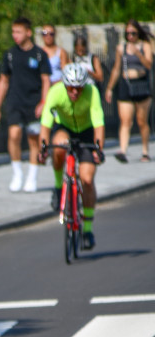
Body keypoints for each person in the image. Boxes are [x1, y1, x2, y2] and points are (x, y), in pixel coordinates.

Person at [38, 63, 105, 249]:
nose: (75, 92)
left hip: (86, 131)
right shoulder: (56, 91)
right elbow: (45, 123)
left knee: (87, 179)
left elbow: (99, 123)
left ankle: (88, 228)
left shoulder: (92, 92)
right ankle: (60, 187)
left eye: (79, 88)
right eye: (70, 87)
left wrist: (98, 150)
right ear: (64, 84)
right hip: (65, 129)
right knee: (58, 147)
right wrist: (42, 149)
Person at [0, 16, 51, 193]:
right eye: (13, 31)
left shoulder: (40, 54)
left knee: (34, 140)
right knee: (14, 134)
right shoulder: (9, 54)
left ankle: (32, 176)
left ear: (28, 32)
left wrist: (43, 102)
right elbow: (3, 80)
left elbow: (46, 80)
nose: (14, 35)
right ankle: (17, 173)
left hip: (33, 103)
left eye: (18, 31)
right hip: (15, 101)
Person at [105, 20, 153, 163]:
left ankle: (145, 151)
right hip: (126, 85)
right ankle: (123, 150)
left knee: (142, 121)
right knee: (125, 120)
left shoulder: (145, 46)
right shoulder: (121, 48)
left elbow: (149, 65)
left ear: (138, 33)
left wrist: (138, 53)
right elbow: (116, 69)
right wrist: (109, 88)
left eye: (133, 33)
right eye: (128, 34)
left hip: (141, 85)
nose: (130, 36)